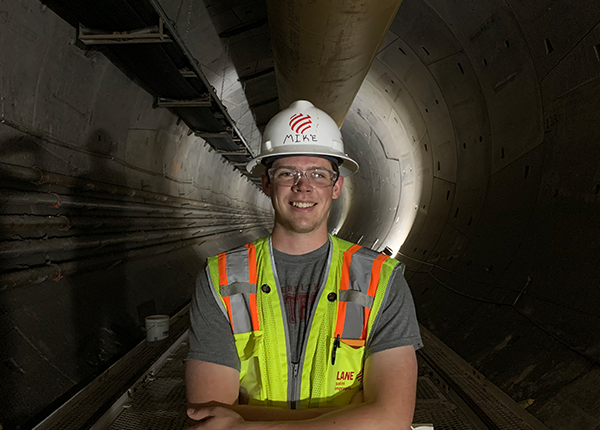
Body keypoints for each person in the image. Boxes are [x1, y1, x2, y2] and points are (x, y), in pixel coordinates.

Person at [185, 100, 423, 430]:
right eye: (287, 173)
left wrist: (245, 424)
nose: (303, 186)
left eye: (318, 174)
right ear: (266, 184)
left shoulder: (380, 281)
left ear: (337, 187)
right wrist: (355, 418)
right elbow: (208, 416)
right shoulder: (221, 279)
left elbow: (393, 419)